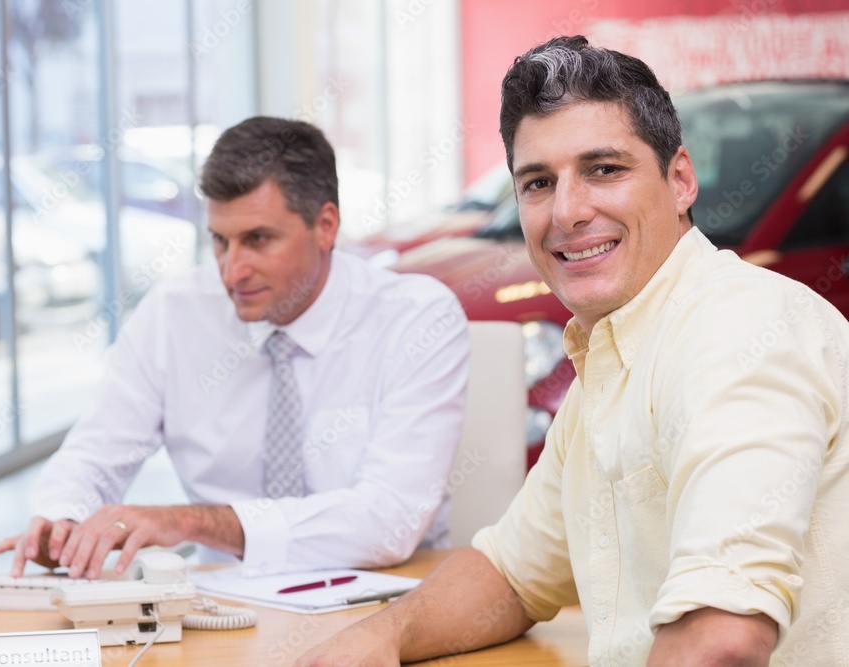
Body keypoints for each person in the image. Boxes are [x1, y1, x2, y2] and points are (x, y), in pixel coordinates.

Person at [296, 35, 849, 667]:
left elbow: (720, 640)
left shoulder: (740, 328)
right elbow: (510, 575)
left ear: (680, 180)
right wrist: (377, 637)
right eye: (538, 183)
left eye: (603, 170)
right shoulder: (617, 349)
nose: (566, 211)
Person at [0, 116, 470, 580]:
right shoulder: (174, 314)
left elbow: (389, 520)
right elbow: (93, 454)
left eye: (258, 239)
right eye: (220, 241)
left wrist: (190, 522)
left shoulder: (416, 319)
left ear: (325, 226)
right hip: (227, 600)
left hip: (389, 596)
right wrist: (64, 520)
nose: (232, 271)